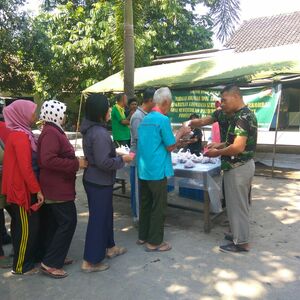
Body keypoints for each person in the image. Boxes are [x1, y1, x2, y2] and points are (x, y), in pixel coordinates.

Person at [80, 93, 133, 272]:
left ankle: (110, 247)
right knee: (98, 220)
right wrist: (123, 159)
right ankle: (90, 261)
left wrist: (116, 154)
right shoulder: (99, 133)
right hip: (98, 181)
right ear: (99, 112)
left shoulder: (92, 129)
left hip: (96, 180)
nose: (110, 110)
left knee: (105, 216)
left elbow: (98, 156)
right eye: (107, 107)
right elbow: (103, 162)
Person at [37, 100, 87, 278]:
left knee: (56, 223)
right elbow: (48, 160)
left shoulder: (52, 130)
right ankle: (50, 263)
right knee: (68, 222)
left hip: (57, 185)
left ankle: (54, 255)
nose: (65, 116)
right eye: (62, 112)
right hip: (56, 187)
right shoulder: (51, 132)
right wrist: (75, 163)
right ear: (54, 114)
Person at [137, 87, 191, 252]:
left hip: (144, 169)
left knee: (145, 203)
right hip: (157, 170)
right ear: (166, 102)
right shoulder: (162, 119)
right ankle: (154, 242)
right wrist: (181, 132)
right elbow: (170, 146)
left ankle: (143, 235)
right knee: (158, 206)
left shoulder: (145, 119)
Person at [205, 85, 257, 253]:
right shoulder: (242, 115)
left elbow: (237, 148)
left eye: (225, 101)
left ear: (235, 96)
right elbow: (231, 142)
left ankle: (241, 243)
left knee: (238, 205)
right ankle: (237, 233)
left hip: (239, 167)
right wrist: (218, 145)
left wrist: (216, 152)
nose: (222, 105)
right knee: (235, 204)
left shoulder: (242, 117)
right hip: (239, 166)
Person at [2, 100, 44, 275]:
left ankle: (25, 261)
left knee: (22, 227)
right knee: (26, 229)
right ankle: (20, 266)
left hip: (21, 188)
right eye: (32, 112)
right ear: (22, 114)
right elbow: (26, 168)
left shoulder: (22, 133)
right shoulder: (20, 137)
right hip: (21, 190)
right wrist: (37, 190)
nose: (35, 115)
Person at [129, 88, 156, 221]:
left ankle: (144, 218)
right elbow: (140, 140)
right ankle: (138, 218)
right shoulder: (138, 117)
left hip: (145, 161)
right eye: (155, 101)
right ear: (150, 100)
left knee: (145, 192)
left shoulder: (146, 115)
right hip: (138, 161)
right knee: (138, 192)